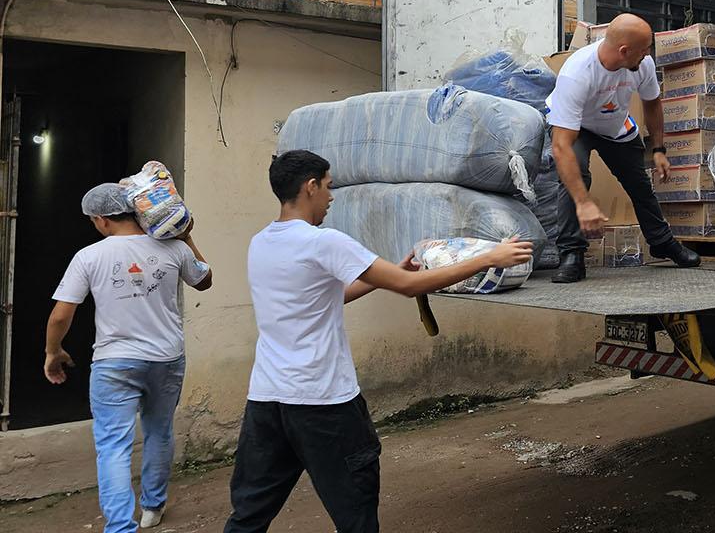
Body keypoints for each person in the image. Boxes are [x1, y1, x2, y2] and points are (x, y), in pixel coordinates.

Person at [224, 150, 533, 533]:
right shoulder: (324, 241)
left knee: (249, 515)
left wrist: (381, 276)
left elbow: (321, 297)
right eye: (329, 187)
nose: (332, 197)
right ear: (310, 187)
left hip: (268, 402)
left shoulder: (262, 243)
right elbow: (409, 287)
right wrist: (489, 257)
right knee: (356, 514)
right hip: (325, 405)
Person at [44, 183, 213, 533]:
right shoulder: (173, 249)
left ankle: (121, 526)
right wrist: (185, 237)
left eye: (93, 220)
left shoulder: (89, 256)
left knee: (112, 446)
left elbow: (61, 315)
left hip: (114, 363)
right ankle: (152, 507)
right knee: (159, 432)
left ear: (103, 219)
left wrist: (53, 351)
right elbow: (204, 280)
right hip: (167, 358)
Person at [546, 13, 701, 283]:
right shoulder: (577, 73)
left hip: (615, 126)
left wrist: (659, 149)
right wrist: (584, 203)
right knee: (576, 176)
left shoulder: (643, 64)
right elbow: (561, 146)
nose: (647, 55)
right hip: (576, 127)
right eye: (643, 50)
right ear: (624, 50)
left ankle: (661, 242)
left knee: (639, 184)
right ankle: (571, 253)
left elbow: (652, 103)